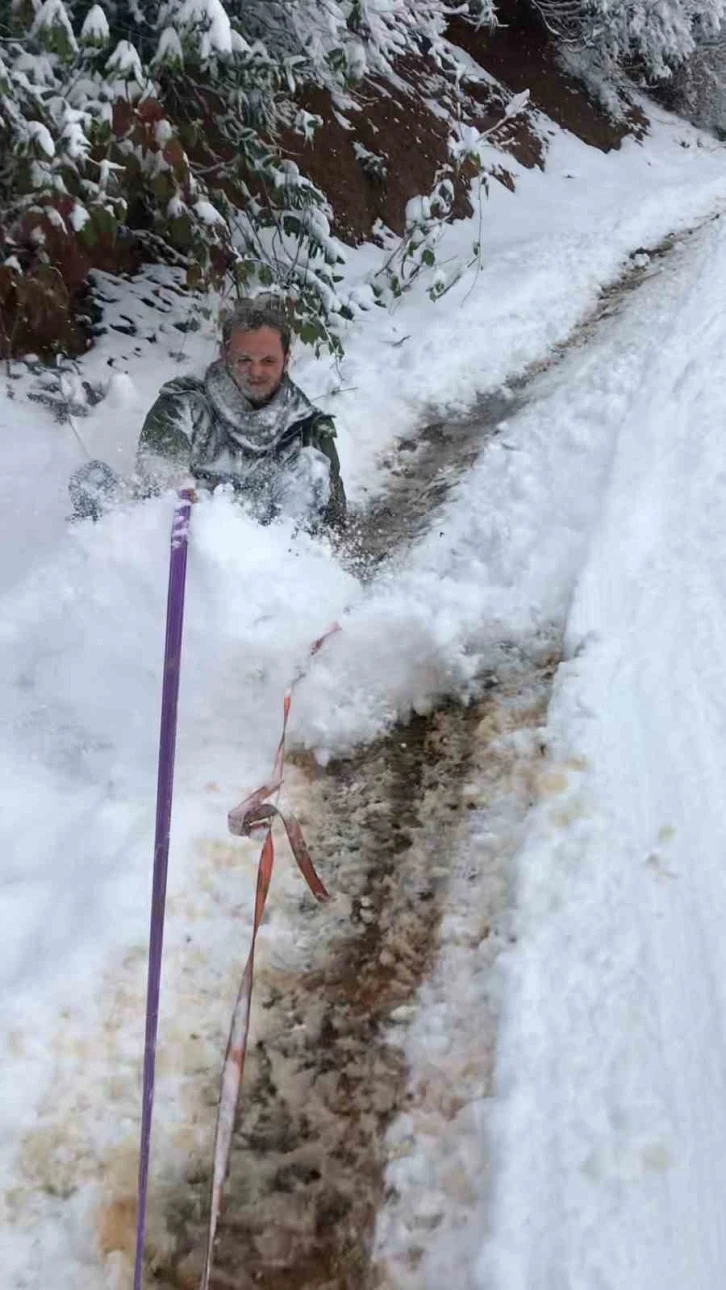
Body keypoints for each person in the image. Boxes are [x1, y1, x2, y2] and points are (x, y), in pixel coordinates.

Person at [70, 297, 346, 529]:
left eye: (268, 361)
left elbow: (333, 519)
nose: (256, 372)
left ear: (286, 360)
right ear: (224, 355)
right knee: (94, 482)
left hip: (269, 558)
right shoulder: (184, 403)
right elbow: (158, 467)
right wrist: (174, 484)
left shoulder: (307, 425)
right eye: (244, 359)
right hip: (188, 540)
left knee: (311, 468)